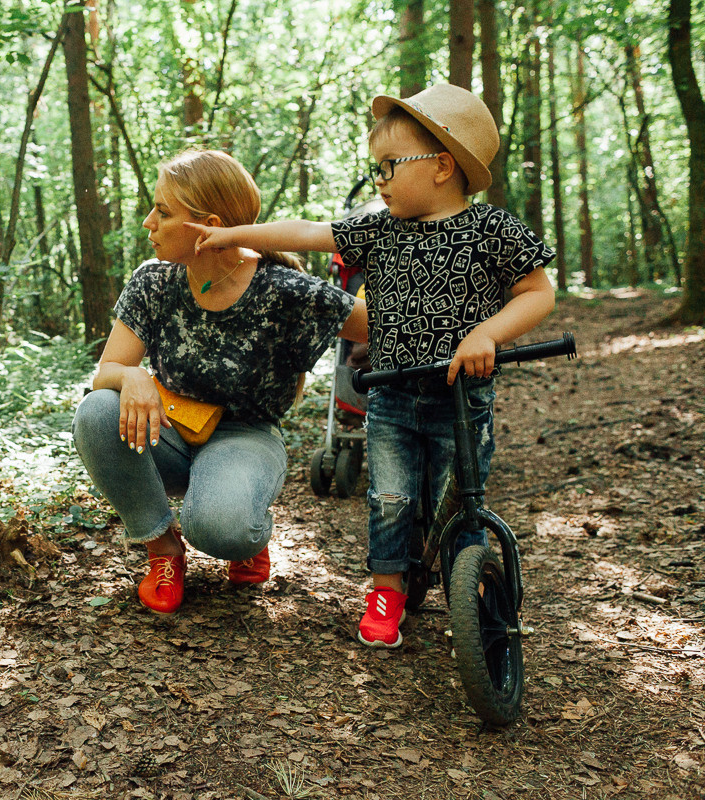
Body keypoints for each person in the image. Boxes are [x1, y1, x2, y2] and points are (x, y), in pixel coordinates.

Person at [187, 84, 556, 647]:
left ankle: (472, 585)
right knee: (390, 497)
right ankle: (387, 588)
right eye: (374, 169)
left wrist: (487, 333)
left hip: (463, 394)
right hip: (391, 394)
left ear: (441, 166)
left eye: (388, 167)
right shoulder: (379, 228)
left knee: (458, 496)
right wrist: (234, 234)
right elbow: (310, 233)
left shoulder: (493, 231)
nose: (378, 180)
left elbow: (537, 293)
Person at [72, 149, 368, 615]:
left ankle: (240, 522)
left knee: (219, 528)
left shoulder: (282, 289)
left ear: (207, 225)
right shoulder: (153, 281)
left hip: (245, 438)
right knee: (96, 411)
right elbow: (105, 374)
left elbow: (382, 325)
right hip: (169, 429)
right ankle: (164, 550)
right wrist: (132, 376)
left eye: (163, 212)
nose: (148, 222)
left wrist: (484, 333)